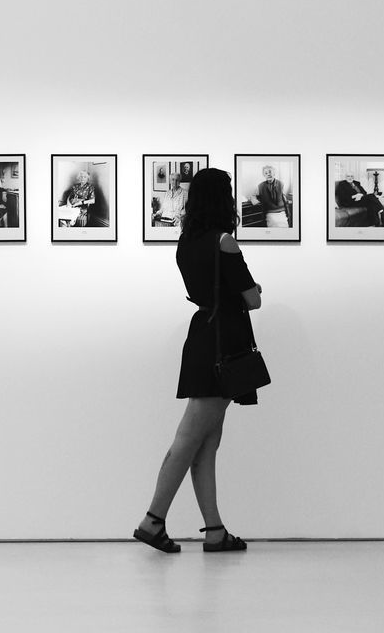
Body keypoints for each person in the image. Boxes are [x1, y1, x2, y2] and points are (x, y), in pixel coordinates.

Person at [134, 167, 263, 555]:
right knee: (191, 438)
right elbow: (252, 299)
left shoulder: (185, 243)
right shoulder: (225, 242)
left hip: (203, 336)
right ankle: (152, 521)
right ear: (221, 200)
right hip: (224, 341)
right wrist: (253, 290)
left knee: (207, 441)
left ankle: (215, 530)